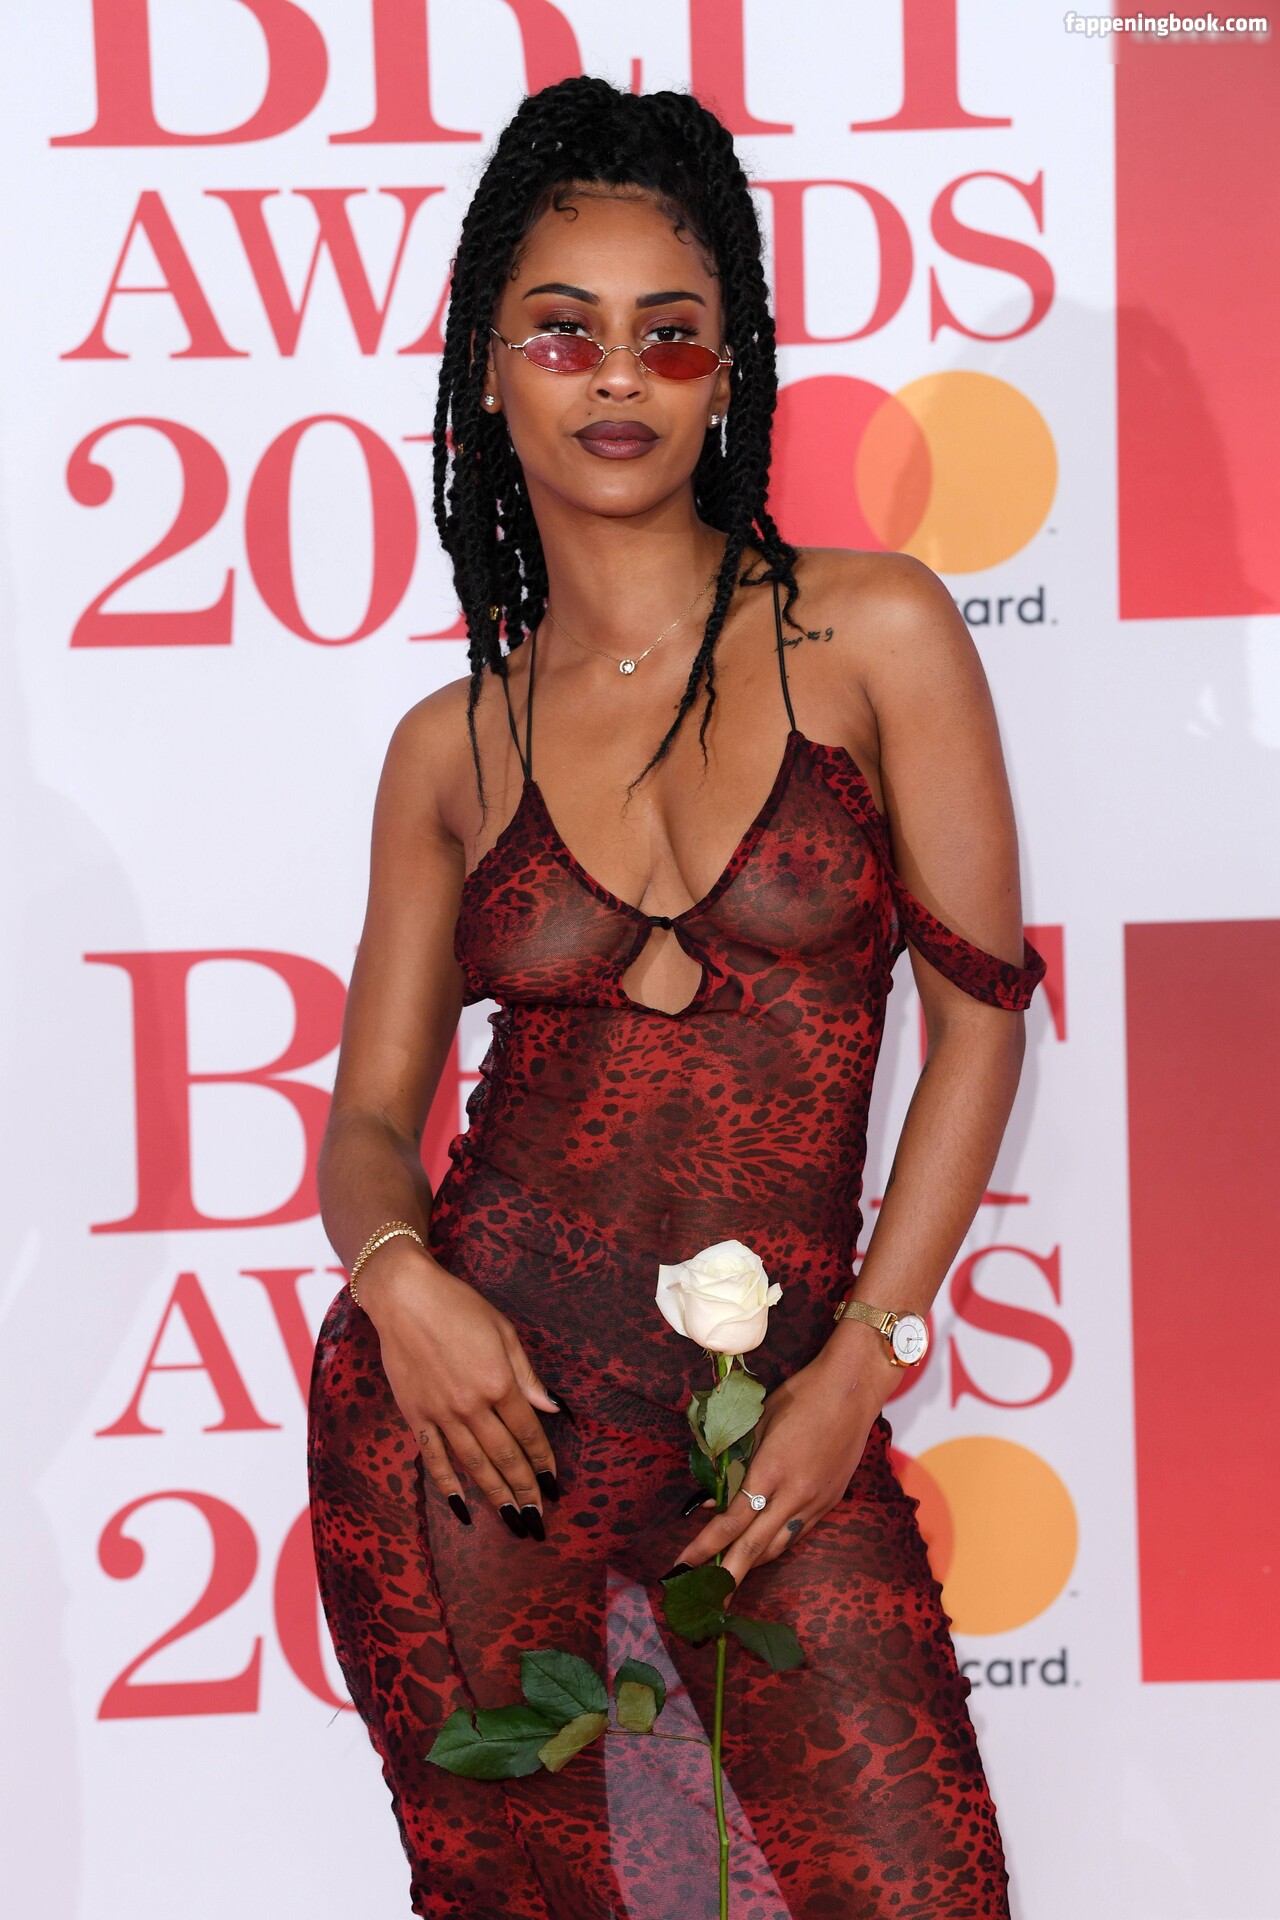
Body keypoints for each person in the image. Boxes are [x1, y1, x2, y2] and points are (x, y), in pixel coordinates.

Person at [307, 74, 1045, 1920]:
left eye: (672, 333)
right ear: (490, 373)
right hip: (475, 1434)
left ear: (731, 372)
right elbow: (372, 1121)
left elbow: (979, 1026)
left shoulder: (873, 633)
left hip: (778, 1423)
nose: (619, 377)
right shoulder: (449, 746)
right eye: (565, 333)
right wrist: (402, 1289)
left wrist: (860, 1364)